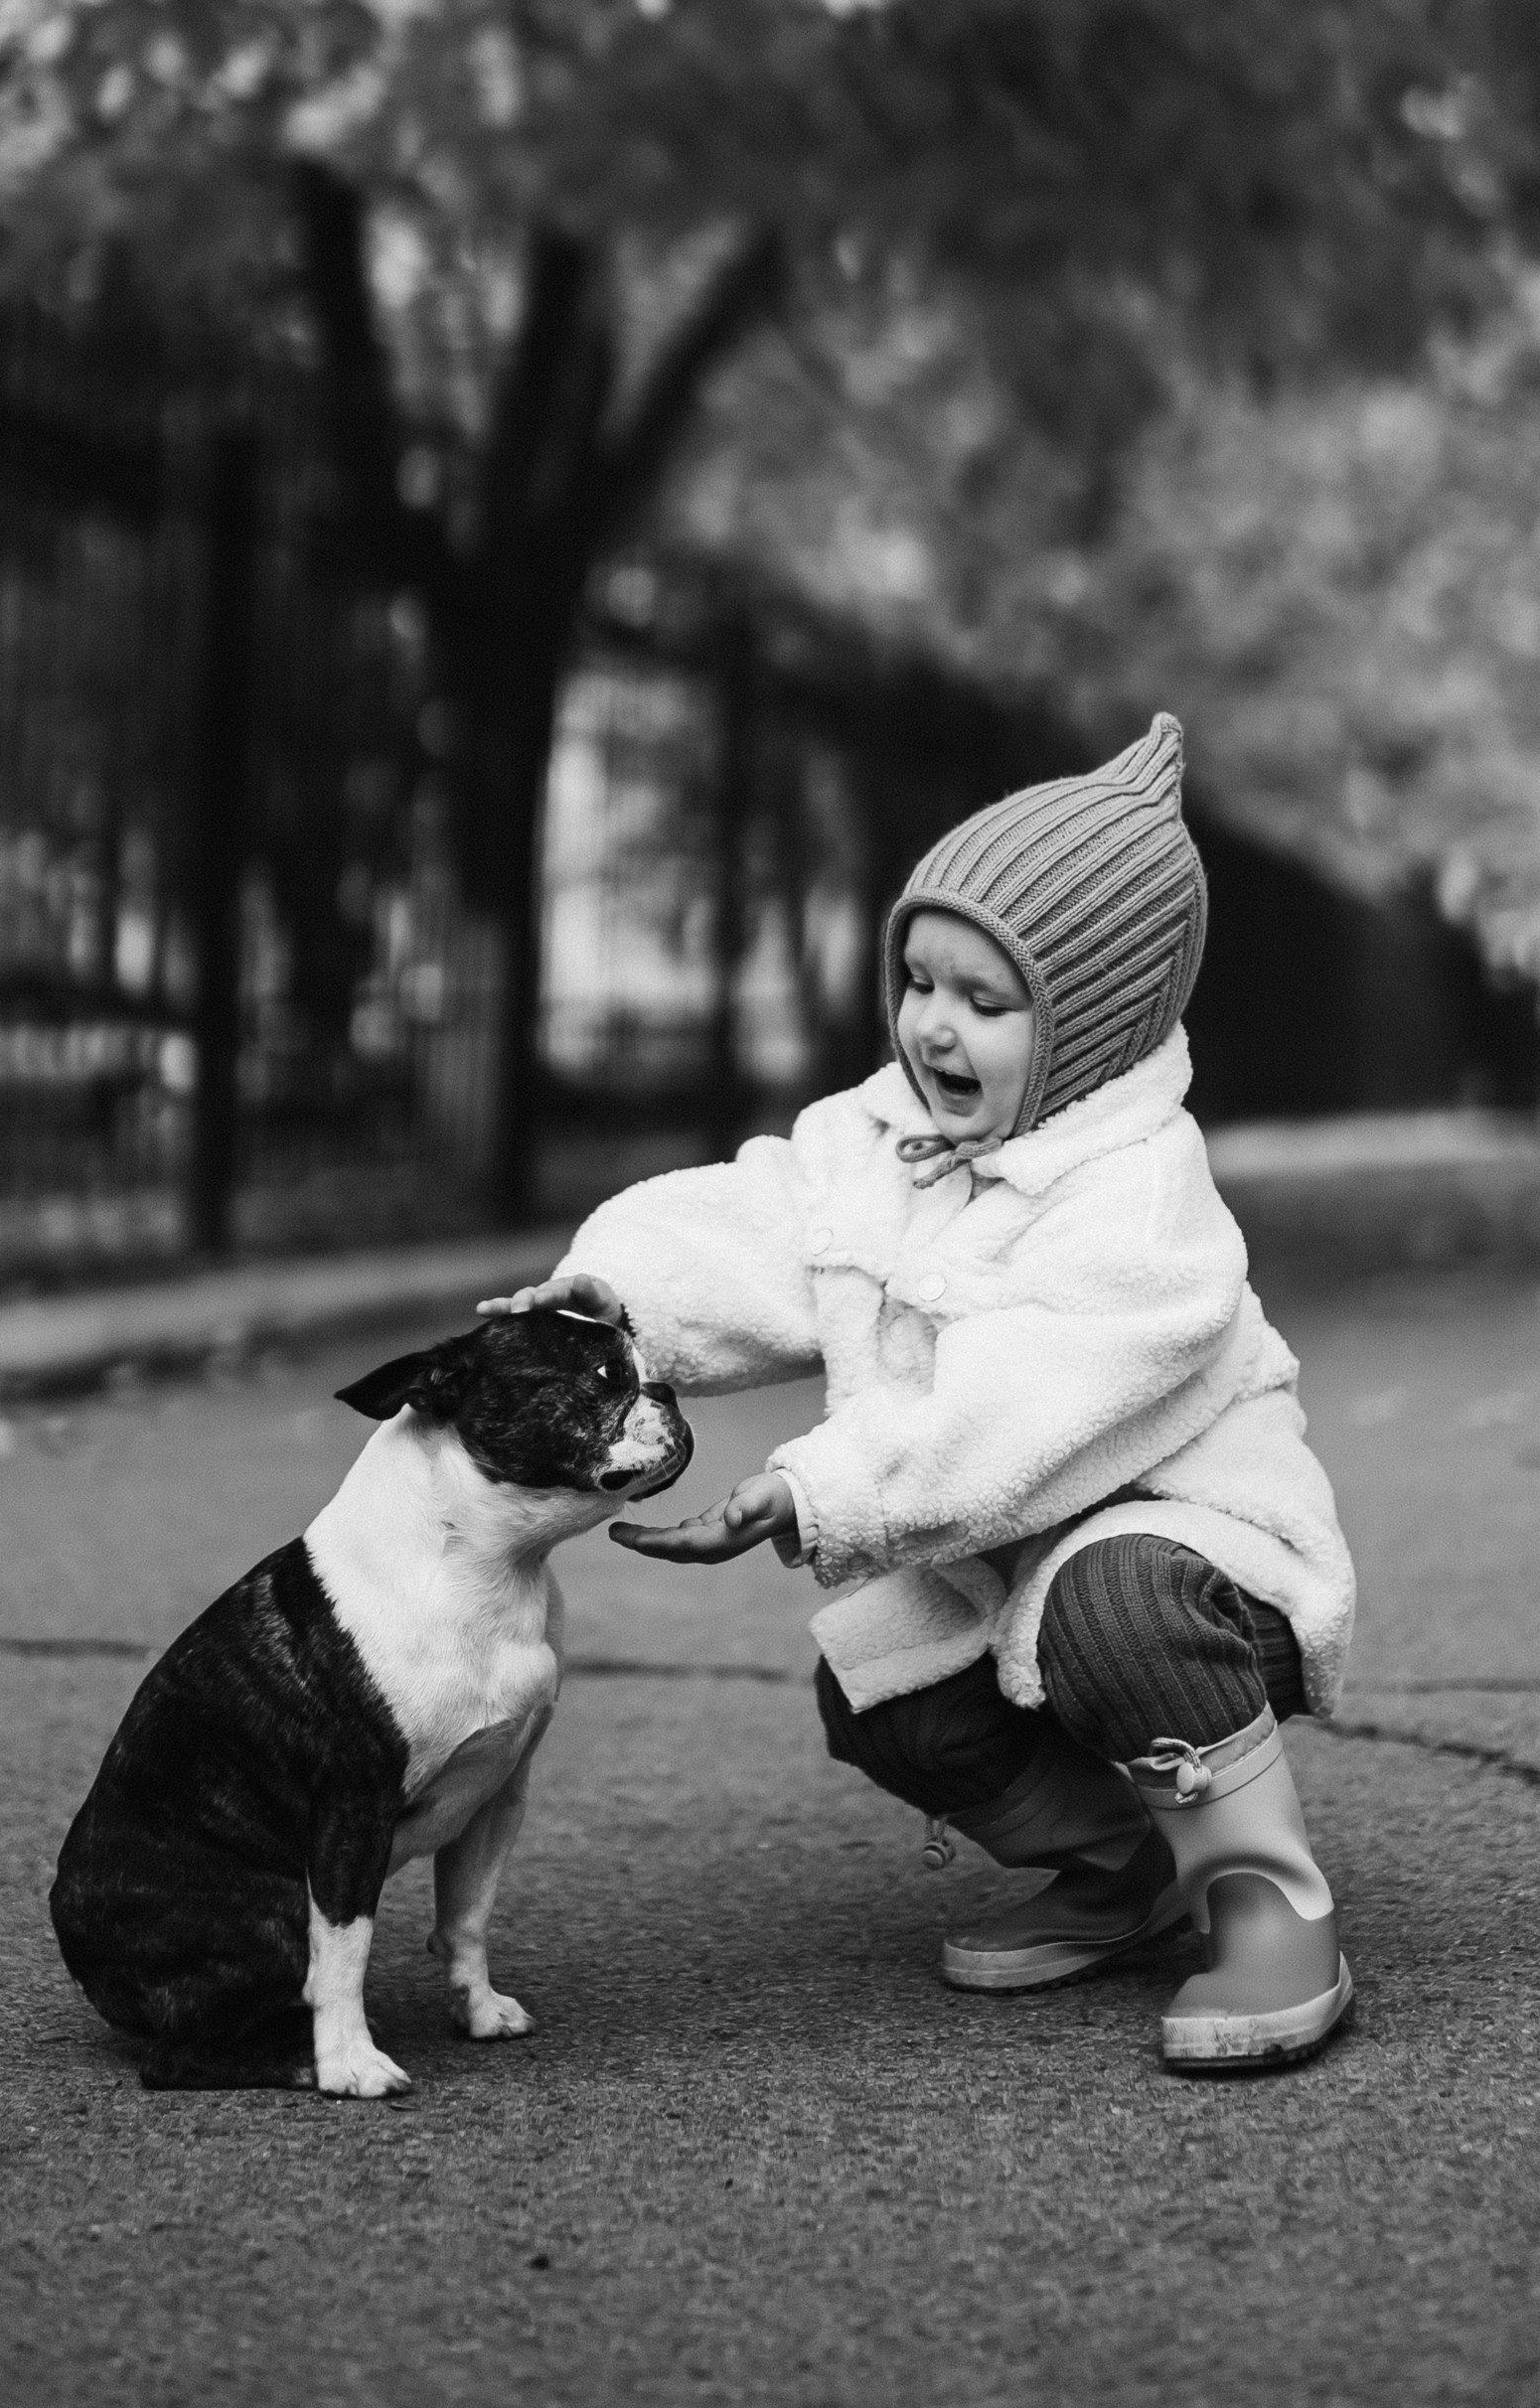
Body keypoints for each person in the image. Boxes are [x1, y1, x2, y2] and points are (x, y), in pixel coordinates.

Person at [483, 714, 1356, 2072]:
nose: (933, 1024)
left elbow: (1021, 1405)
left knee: (1114, 1607)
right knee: (888, 1691)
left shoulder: (1138, 1203)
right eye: (919, 979)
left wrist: (818, 1486)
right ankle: (1126, 1868)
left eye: (986, 1003)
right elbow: (767, 1221)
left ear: (1091, 1027)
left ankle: (1265, 1903)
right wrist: (623, 1297)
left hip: (1201, 1562)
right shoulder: (887, 1134)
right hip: (1002, 1557)